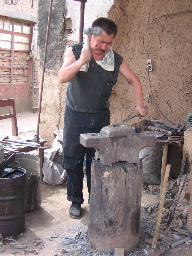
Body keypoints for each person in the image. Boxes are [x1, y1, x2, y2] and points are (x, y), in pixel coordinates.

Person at [58, 17, 148, 219]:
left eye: (109, 43)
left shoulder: (113, 58)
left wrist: (139, 105)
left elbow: (133, 80)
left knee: (96, 160)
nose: (104, 47)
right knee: (72, 158)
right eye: (100, 42)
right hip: (75, 115)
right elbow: (62, 77)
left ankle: (95, 198)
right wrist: (82, 60)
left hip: (99, 117)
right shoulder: (74, 51)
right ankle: (75, 201)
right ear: (91, 36)